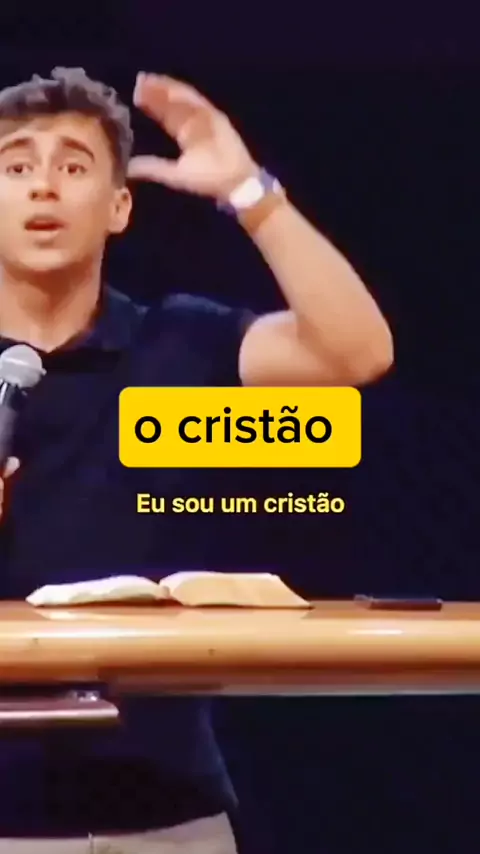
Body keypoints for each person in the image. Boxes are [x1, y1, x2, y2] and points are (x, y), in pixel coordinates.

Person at [0, 67, 393, 853]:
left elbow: (357, 352)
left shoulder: (179, 345)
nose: (44, 184)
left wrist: (251, 194)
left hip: (165, 810)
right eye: (16, 166)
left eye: (73, 165)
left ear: (119, 208)